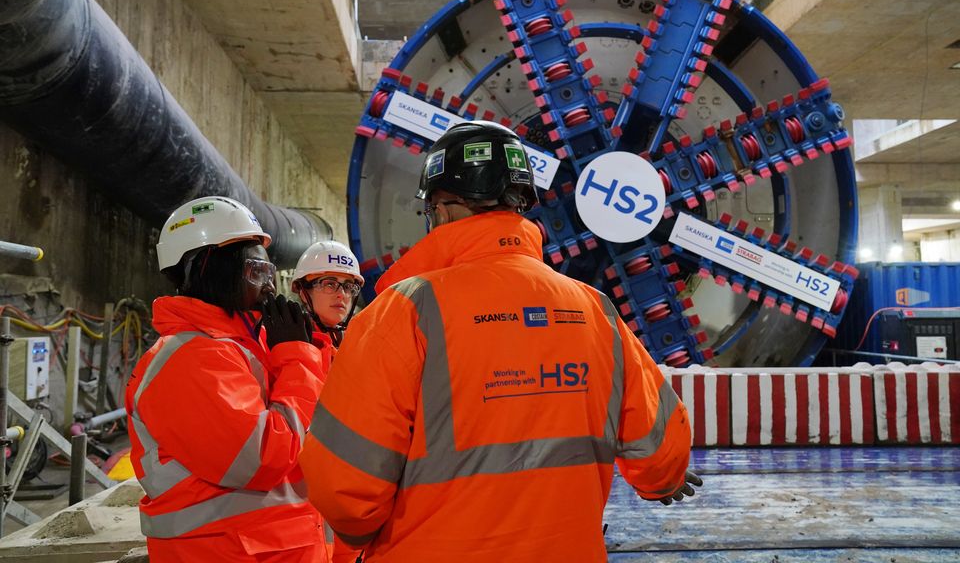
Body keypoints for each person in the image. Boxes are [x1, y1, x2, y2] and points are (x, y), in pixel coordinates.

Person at [299, 121, 699, 562]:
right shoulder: (595, 310)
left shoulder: (404, 312)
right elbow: (663, 450)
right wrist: (661, 478)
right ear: (520, 206)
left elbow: (343, 491)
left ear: (444, 209)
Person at [125, 196, 328, 562]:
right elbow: (262, 458)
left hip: (270, 548)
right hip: (222, 551)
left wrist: (307, 349)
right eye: (256, 272)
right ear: (208, 268)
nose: (268, 288)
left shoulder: (247, 347)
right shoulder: (189, 358)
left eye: (270, 274)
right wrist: (297, 357)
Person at [291, 241, 366, 563]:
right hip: (301, 512)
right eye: (328, 283)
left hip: (350, 507)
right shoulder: (281, 348)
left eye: (348, 286)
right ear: (302, 290)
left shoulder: (360, 347)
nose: (341, 295)